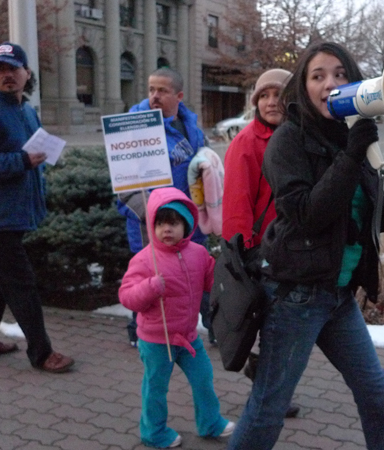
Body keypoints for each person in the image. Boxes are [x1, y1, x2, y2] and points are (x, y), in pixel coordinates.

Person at [227, 42, 384, 450]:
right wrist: (351, 155)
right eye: (318, 76)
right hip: (295, 296)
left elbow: (372, 216)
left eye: (339, 74)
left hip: (337, 297)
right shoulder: (288, 142)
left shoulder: (351, 139)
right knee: (268, 408)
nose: (330, 83)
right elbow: (307, 213)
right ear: (303, 86)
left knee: (376, 395)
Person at [0, 42, 74, 373]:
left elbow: (31, 155)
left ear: (27, 73)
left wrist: (38, 163)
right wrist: (21, 161)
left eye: (13, 68)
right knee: (21, 283)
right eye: (0, 69)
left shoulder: (26, 110)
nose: (7, 75)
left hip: (14, 214)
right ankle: (42, 353)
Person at [119, 187, 234, 448]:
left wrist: (228, 276)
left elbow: (211, 282)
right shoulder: (145, 260)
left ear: (187, 224)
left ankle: (210, 422)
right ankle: (153, 431)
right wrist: (149, 288)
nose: (166, 230)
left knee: (203, 378)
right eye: (160, 223)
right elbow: (127, 296)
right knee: (156, 388)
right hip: (157, 341)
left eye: (173, 223)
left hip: (187, 338)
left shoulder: (198, 254)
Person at [221, 68, 300, 419]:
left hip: (290, 250)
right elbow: (237, 205)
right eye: (264, 96)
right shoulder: (246, 143)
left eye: (278, 95)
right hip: (261, 254)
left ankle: (266, 381)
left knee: (280, 326)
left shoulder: (296, 137)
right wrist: (246, 254)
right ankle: (267, 396)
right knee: (272, 326)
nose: (271, 102)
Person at [119, 68, 215, 347]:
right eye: (151, 90)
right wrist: (153, 215)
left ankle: (215, 327)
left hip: (190, 223)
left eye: (162, 91)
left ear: (179, 96)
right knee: (149, 282)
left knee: (198, 275)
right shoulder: (131, 128)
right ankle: (138, 332)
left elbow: (204, 163)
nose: (154, 97)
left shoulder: (191, 127)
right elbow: (124, 188)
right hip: (152, 228)